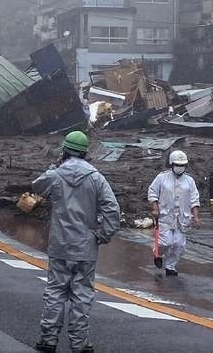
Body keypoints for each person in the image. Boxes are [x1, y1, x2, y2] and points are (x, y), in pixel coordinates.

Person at [32, 131, 120, 353]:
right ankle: (79, 344)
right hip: (85, 246)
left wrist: (54, 168)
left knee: (55, 292)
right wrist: (103, 235)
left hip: (60, 244)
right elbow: (112, 209)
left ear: (64, 151)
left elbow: (36, 187)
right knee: (82, 295)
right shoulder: (96, 178)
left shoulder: (56, 175)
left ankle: (48, 340)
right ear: (85, 153)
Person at [149, 150, 201, 277]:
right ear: (171, 164)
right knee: (165, 242)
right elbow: (152, 192)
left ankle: (170, 266)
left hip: (182, 218)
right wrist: (155, 208)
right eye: (177, 164)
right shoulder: (162, 178)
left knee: (179, 244)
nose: (180, 167)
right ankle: (158, 254)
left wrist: (196, 216)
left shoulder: (189, 181)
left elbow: (194, 199)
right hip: (165, 216)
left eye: (182, 165)